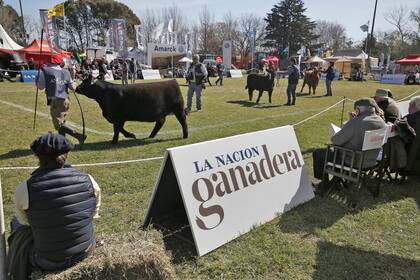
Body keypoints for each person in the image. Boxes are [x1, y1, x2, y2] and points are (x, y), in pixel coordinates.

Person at [7, 133, 101, 278]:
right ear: (67, 154)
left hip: (47, 261)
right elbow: (94, 213)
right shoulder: (89, 180)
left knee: (15, 223)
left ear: (38, 157)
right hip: (86, 251)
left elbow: (24, 222)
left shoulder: (24, 188)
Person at [312, 98, 386, 193]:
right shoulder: (381, 121)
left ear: (358, 109)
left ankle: (325, 184)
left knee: (318, 153)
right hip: (372, 161)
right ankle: (336, 182)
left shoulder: (356, 122)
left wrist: (350, 122)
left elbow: (336, 140)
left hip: (353, 161)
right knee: (339, 153)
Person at [36, 54, 86, 145]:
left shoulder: (45, 71)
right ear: (60, 62)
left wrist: (37, 81)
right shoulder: (66, 72)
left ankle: (79, 136)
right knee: (61, 122)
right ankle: (62, 142)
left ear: (49, 62)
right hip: (65, 100)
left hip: (55, 100)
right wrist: (74, 82)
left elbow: (40, 87)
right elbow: (72, 87)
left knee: (58, 125)